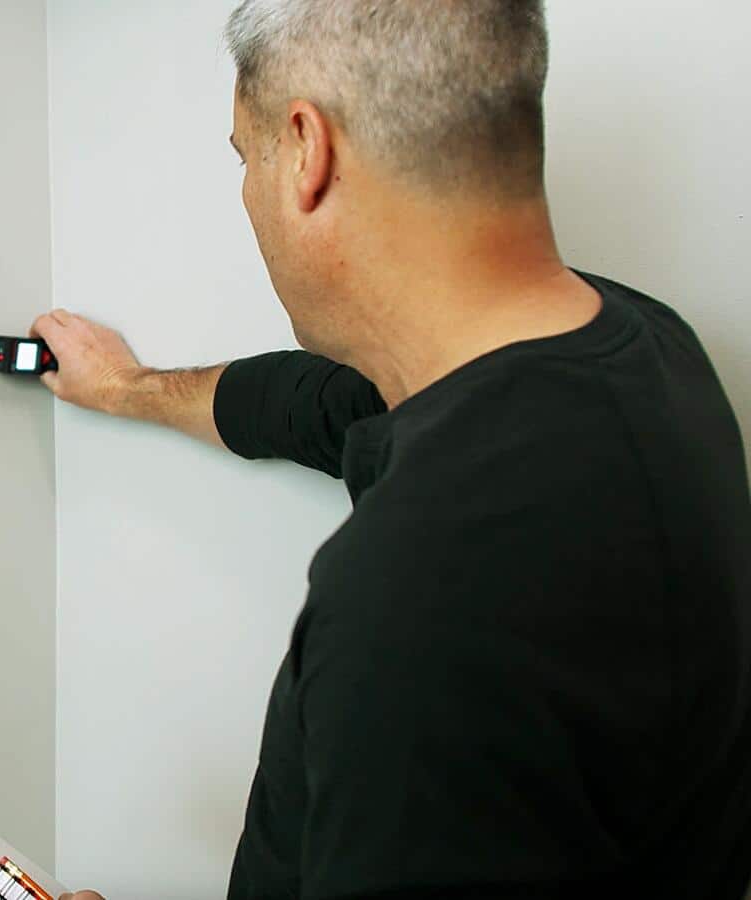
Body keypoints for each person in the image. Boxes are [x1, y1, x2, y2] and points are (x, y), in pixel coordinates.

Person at [46, 1, 751, 898]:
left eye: (244, 155)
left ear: (306, 149)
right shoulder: (644, 353)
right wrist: (124, 387)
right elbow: (315, 405)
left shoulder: (421, 600)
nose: (246, 190)